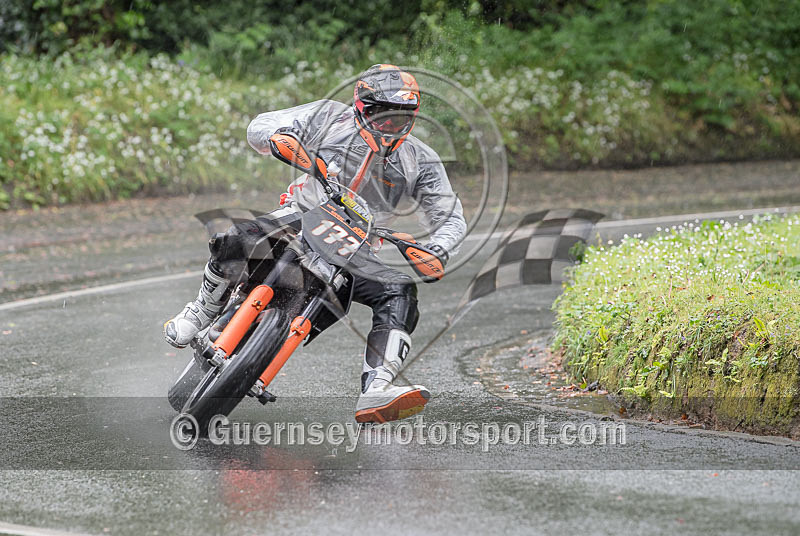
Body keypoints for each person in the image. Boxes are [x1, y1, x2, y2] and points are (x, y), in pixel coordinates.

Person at [164, 64, 466, 422]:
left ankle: (378, 385)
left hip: (359, 247)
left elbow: (451, 217)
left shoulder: (423, 159)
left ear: (413, 118)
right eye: (381, 117)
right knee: (234, 237)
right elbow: (258, 126)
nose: (389, 127)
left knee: (399, 289)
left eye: (399, 120)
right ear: (360, 106)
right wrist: (281, 136)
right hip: (302, 215)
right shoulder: (327, 116)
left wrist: (436, 248)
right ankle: (202, 309)